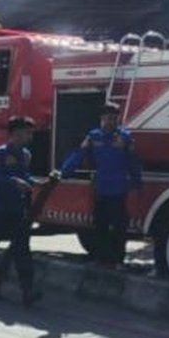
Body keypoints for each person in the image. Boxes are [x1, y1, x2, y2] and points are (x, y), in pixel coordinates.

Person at [54, 103, 142, 267]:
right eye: (108, 117)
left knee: (119, 227)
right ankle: (103, 259)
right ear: (101, 119)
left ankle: (118, 260)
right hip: (101, 189)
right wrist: (64, 172)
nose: (112, 121)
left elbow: (133, 162)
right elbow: (79, 155)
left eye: (115, 118)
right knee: (100, 225)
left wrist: (137, 183)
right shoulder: (93, 137)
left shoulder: (125, 138)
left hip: (119, 188)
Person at [0, 117, 39, 305]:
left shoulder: (26, 154)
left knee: (22, 250)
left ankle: (27, 290)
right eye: (27, 132)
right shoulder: (0, 153)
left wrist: (35, 182)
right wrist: (14, 182)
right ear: (15, 133)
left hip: (17, 209)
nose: (30, 136)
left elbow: (25, 175)